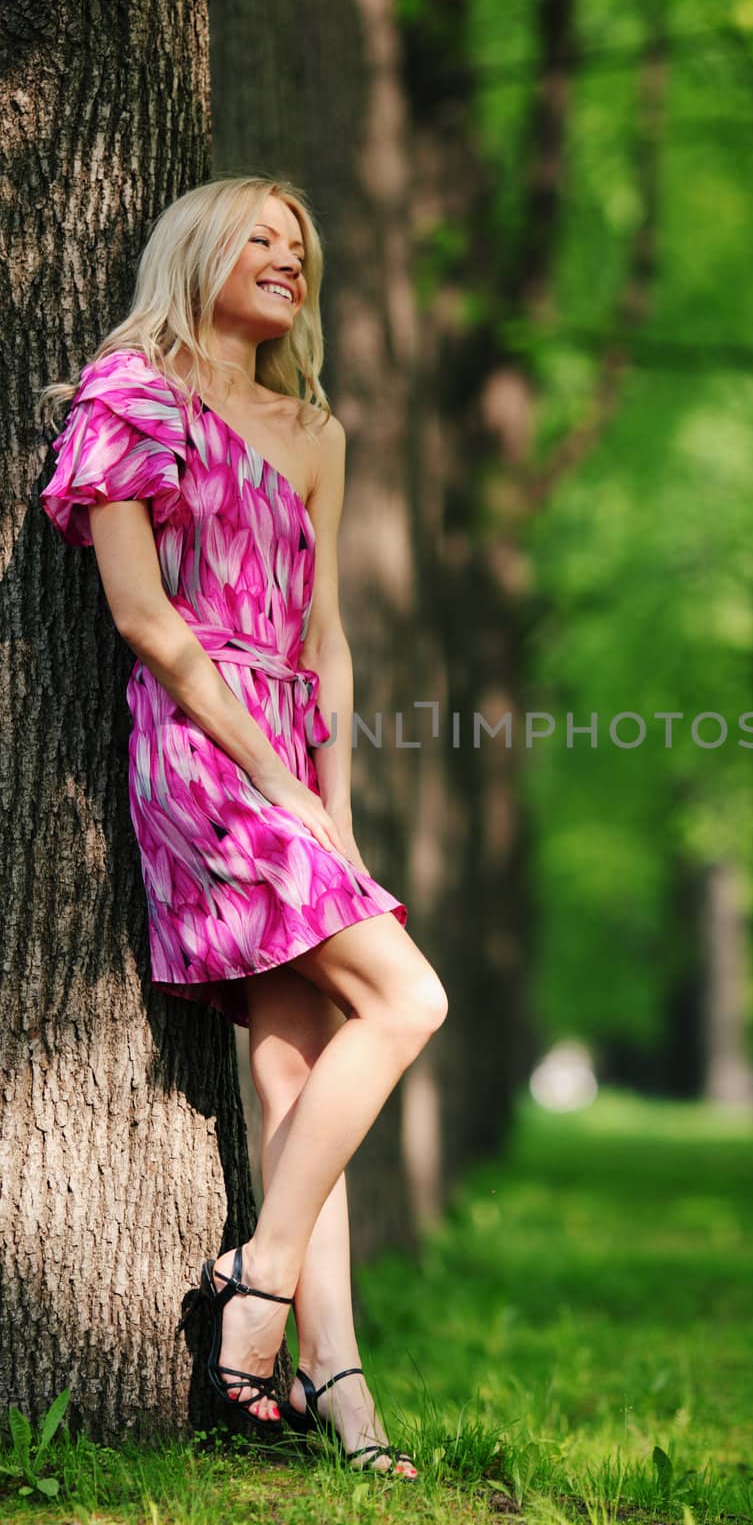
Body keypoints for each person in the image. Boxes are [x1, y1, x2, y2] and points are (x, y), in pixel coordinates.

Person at [36, 175, 449, 1479]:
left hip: (289, 766)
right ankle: (259, 1281)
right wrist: (273, 780)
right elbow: (146, 620)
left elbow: (325, 637)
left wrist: (329, 799)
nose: (287, 260)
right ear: (199, 253)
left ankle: (343, 1395)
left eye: (300, 247)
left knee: (294, 1063)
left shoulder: (316, 432)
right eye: (259, 241)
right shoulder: (133, 396)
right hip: (198, 744)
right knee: (406, 999)